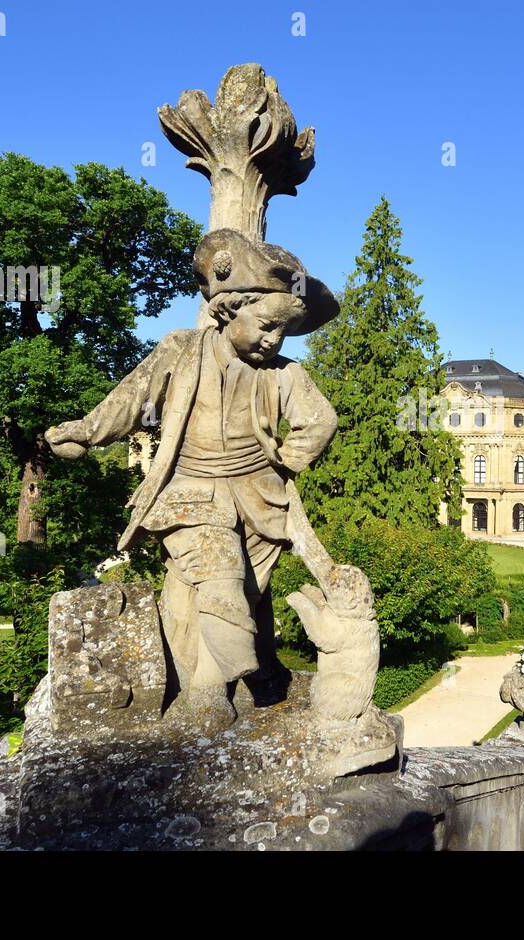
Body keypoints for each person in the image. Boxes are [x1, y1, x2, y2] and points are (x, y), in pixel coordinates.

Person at [45, 229, 339, 729]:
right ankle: (207, 694)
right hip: (192, 491)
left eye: (282, 334)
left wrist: (286, 460)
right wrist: (87, 431)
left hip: (260, 497)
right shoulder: (182, 350)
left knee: (234, 593)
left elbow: (321, 420)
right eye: (267, 326)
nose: (273, 340)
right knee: (221, 579)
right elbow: (133, 400)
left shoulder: (285, 373)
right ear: (229, 310)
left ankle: (216, 679)